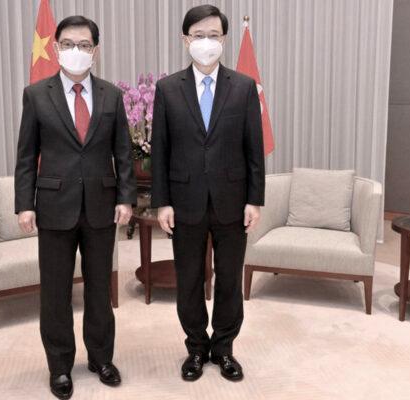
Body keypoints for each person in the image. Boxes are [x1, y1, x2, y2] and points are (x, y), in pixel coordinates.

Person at [14, 15, 136, 400]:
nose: (76, 51)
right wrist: (24, 204)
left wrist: (126, 197)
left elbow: (124, 153)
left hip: (102, 206)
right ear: (55, 48)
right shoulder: (36, 94)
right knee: (55, 292)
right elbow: (25, 155)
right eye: (68, 44)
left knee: (100, 289)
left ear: (95, 51)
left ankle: (101, 358)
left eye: (84, 45)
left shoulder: (111, 95)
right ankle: (60, 366)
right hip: (53, 207)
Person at [151, 4, 265, 382]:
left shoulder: (244, 87)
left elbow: (254, 148)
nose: (206, 42)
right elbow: (161, 150)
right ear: (185, 40)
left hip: (233, 202)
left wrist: (254, 199)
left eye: (213, 35)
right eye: (198, 35)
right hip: (184, 203)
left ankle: (225, 348)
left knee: (229, 278)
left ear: (224, 40)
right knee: (189, 279)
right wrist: (162, 202)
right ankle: (196, 348)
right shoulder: (167, 89)